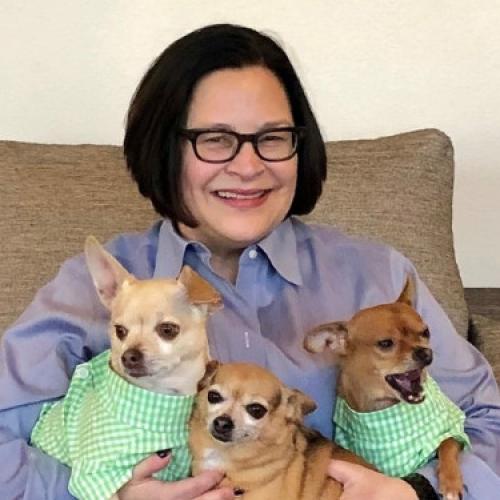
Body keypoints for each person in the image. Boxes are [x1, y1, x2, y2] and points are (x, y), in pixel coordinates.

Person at [0, 23, 499, 500]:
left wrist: (417, 491)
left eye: (272, 138)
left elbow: (488, 420)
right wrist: (100, 491)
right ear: (165, 148)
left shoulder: (376, 276)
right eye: (215, 139)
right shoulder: (99, 287)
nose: (248, 166)